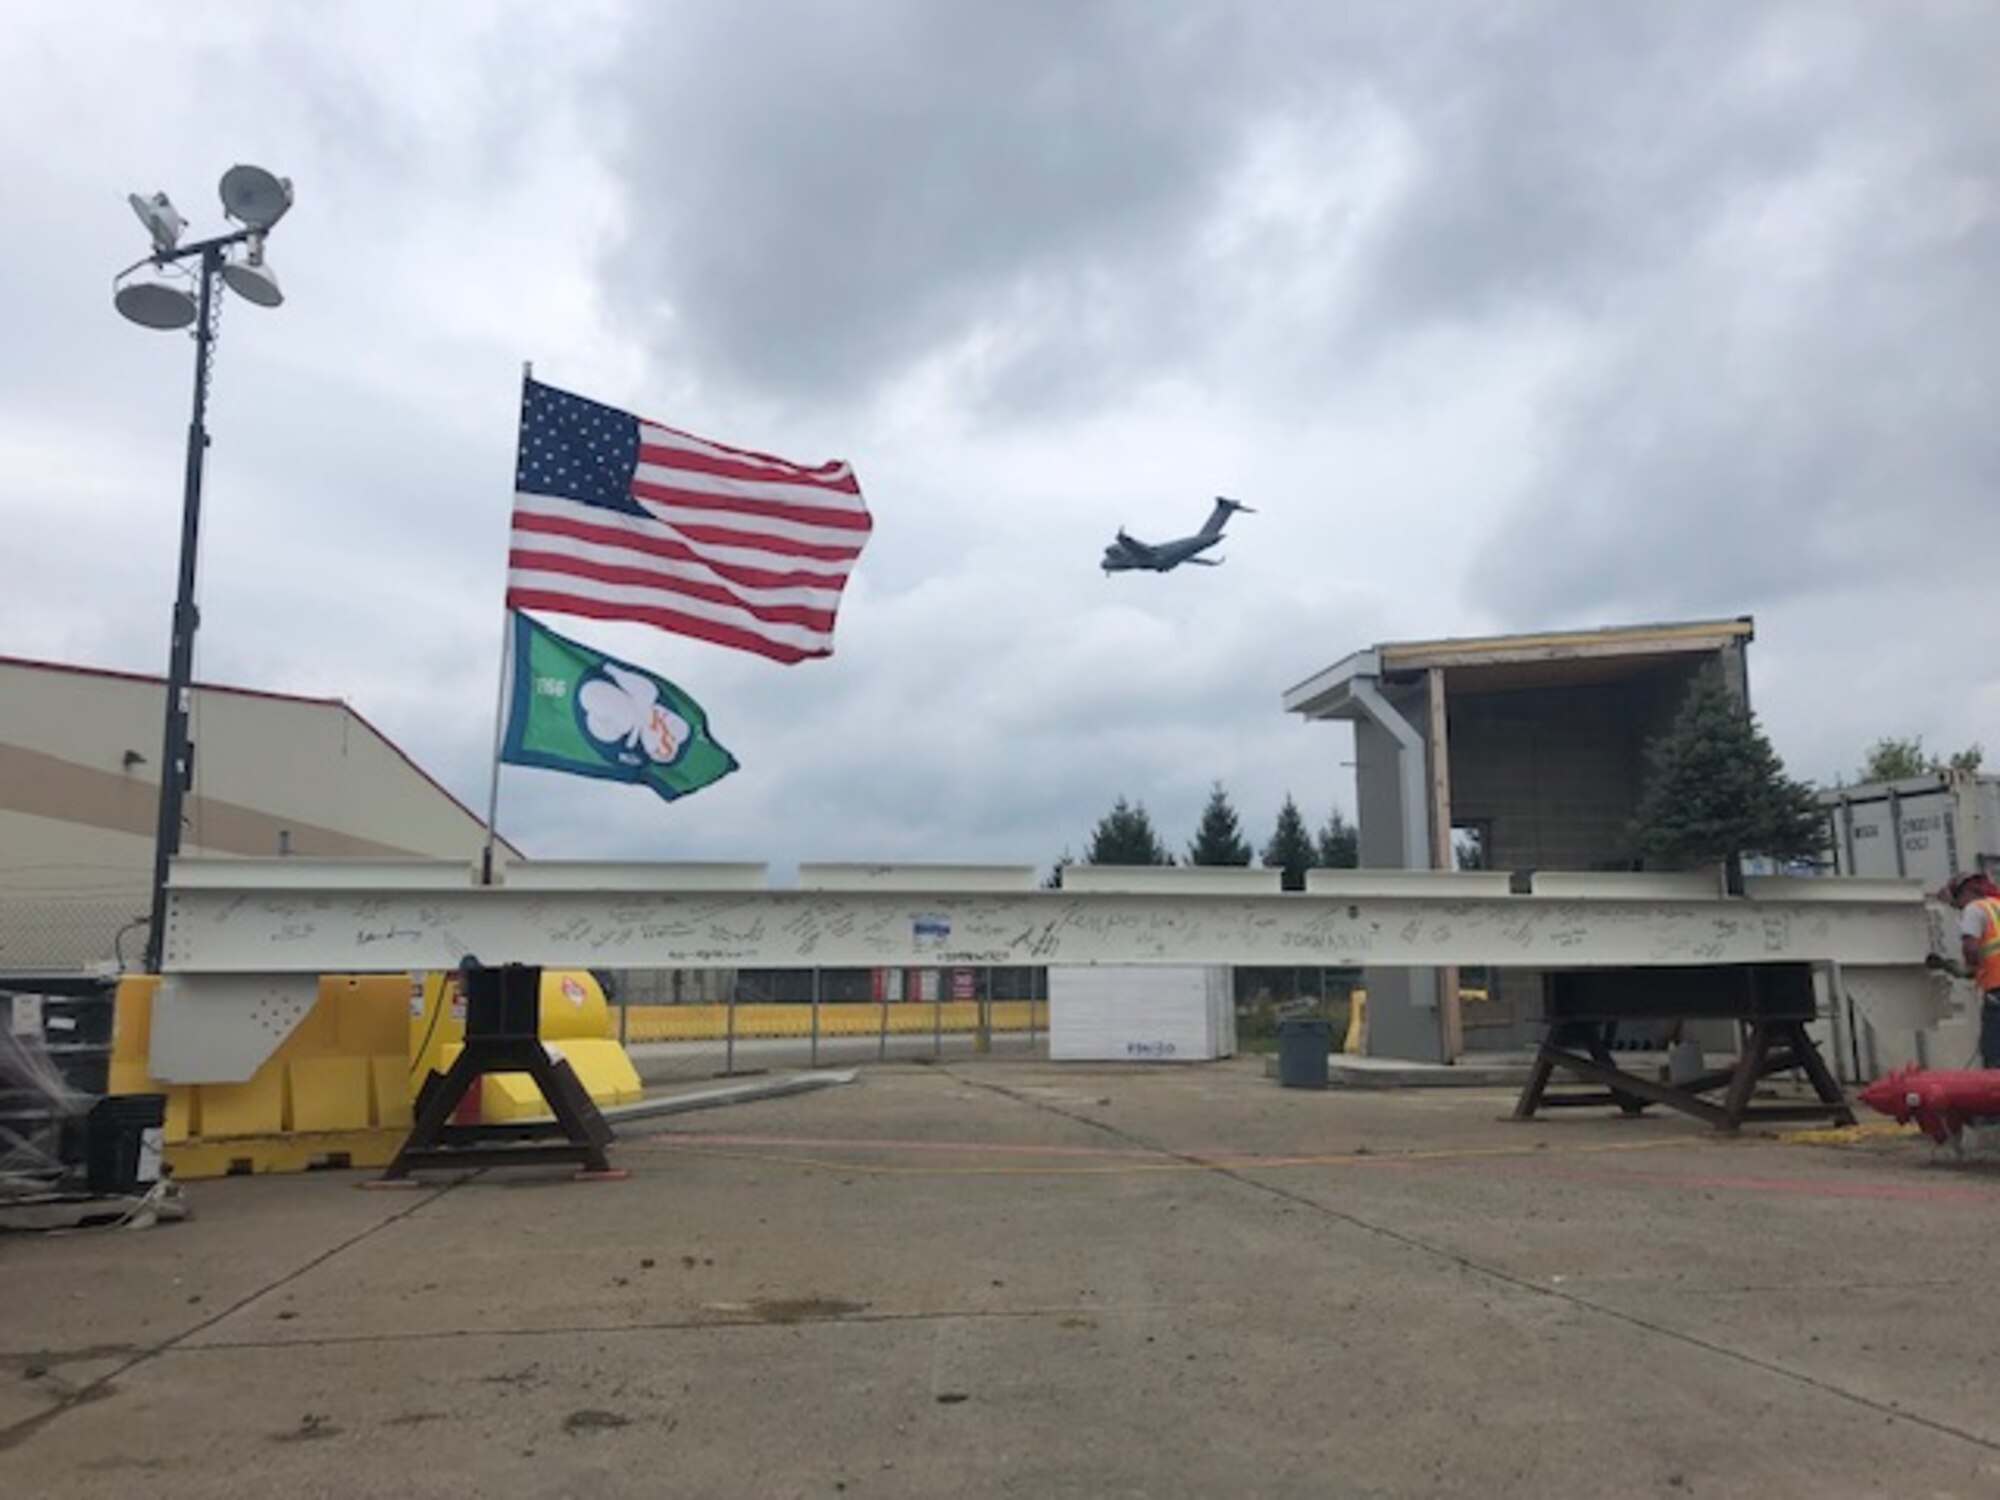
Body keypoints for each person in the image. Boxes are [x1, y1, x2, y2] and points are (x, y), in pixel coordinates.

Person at [1947, 872, 2000, 1068]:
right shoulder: (1996, 904)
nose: (1958, 907)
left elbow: (1971, 947)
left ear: (1963, 892)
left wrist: (1970, 968)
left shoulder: (1973, 909)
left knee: (1994, 1051)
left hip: (1997, 986)